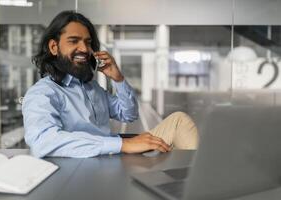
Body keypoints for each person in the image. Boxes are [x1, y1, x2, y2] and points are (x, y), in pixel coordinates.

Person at [22, 10, 198, 158]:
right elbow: (42, 142)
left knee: (178, 121)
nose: (84, 49)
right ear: (54, 47)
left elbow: (128, 114)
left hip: (115, 155)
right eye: (74, 41)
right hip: (89, 164)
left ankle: (198, 184)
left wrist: (118, 79)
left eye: (88, 42)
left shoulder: (92, 88)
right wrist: (121, 144)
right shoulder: (43, 93)